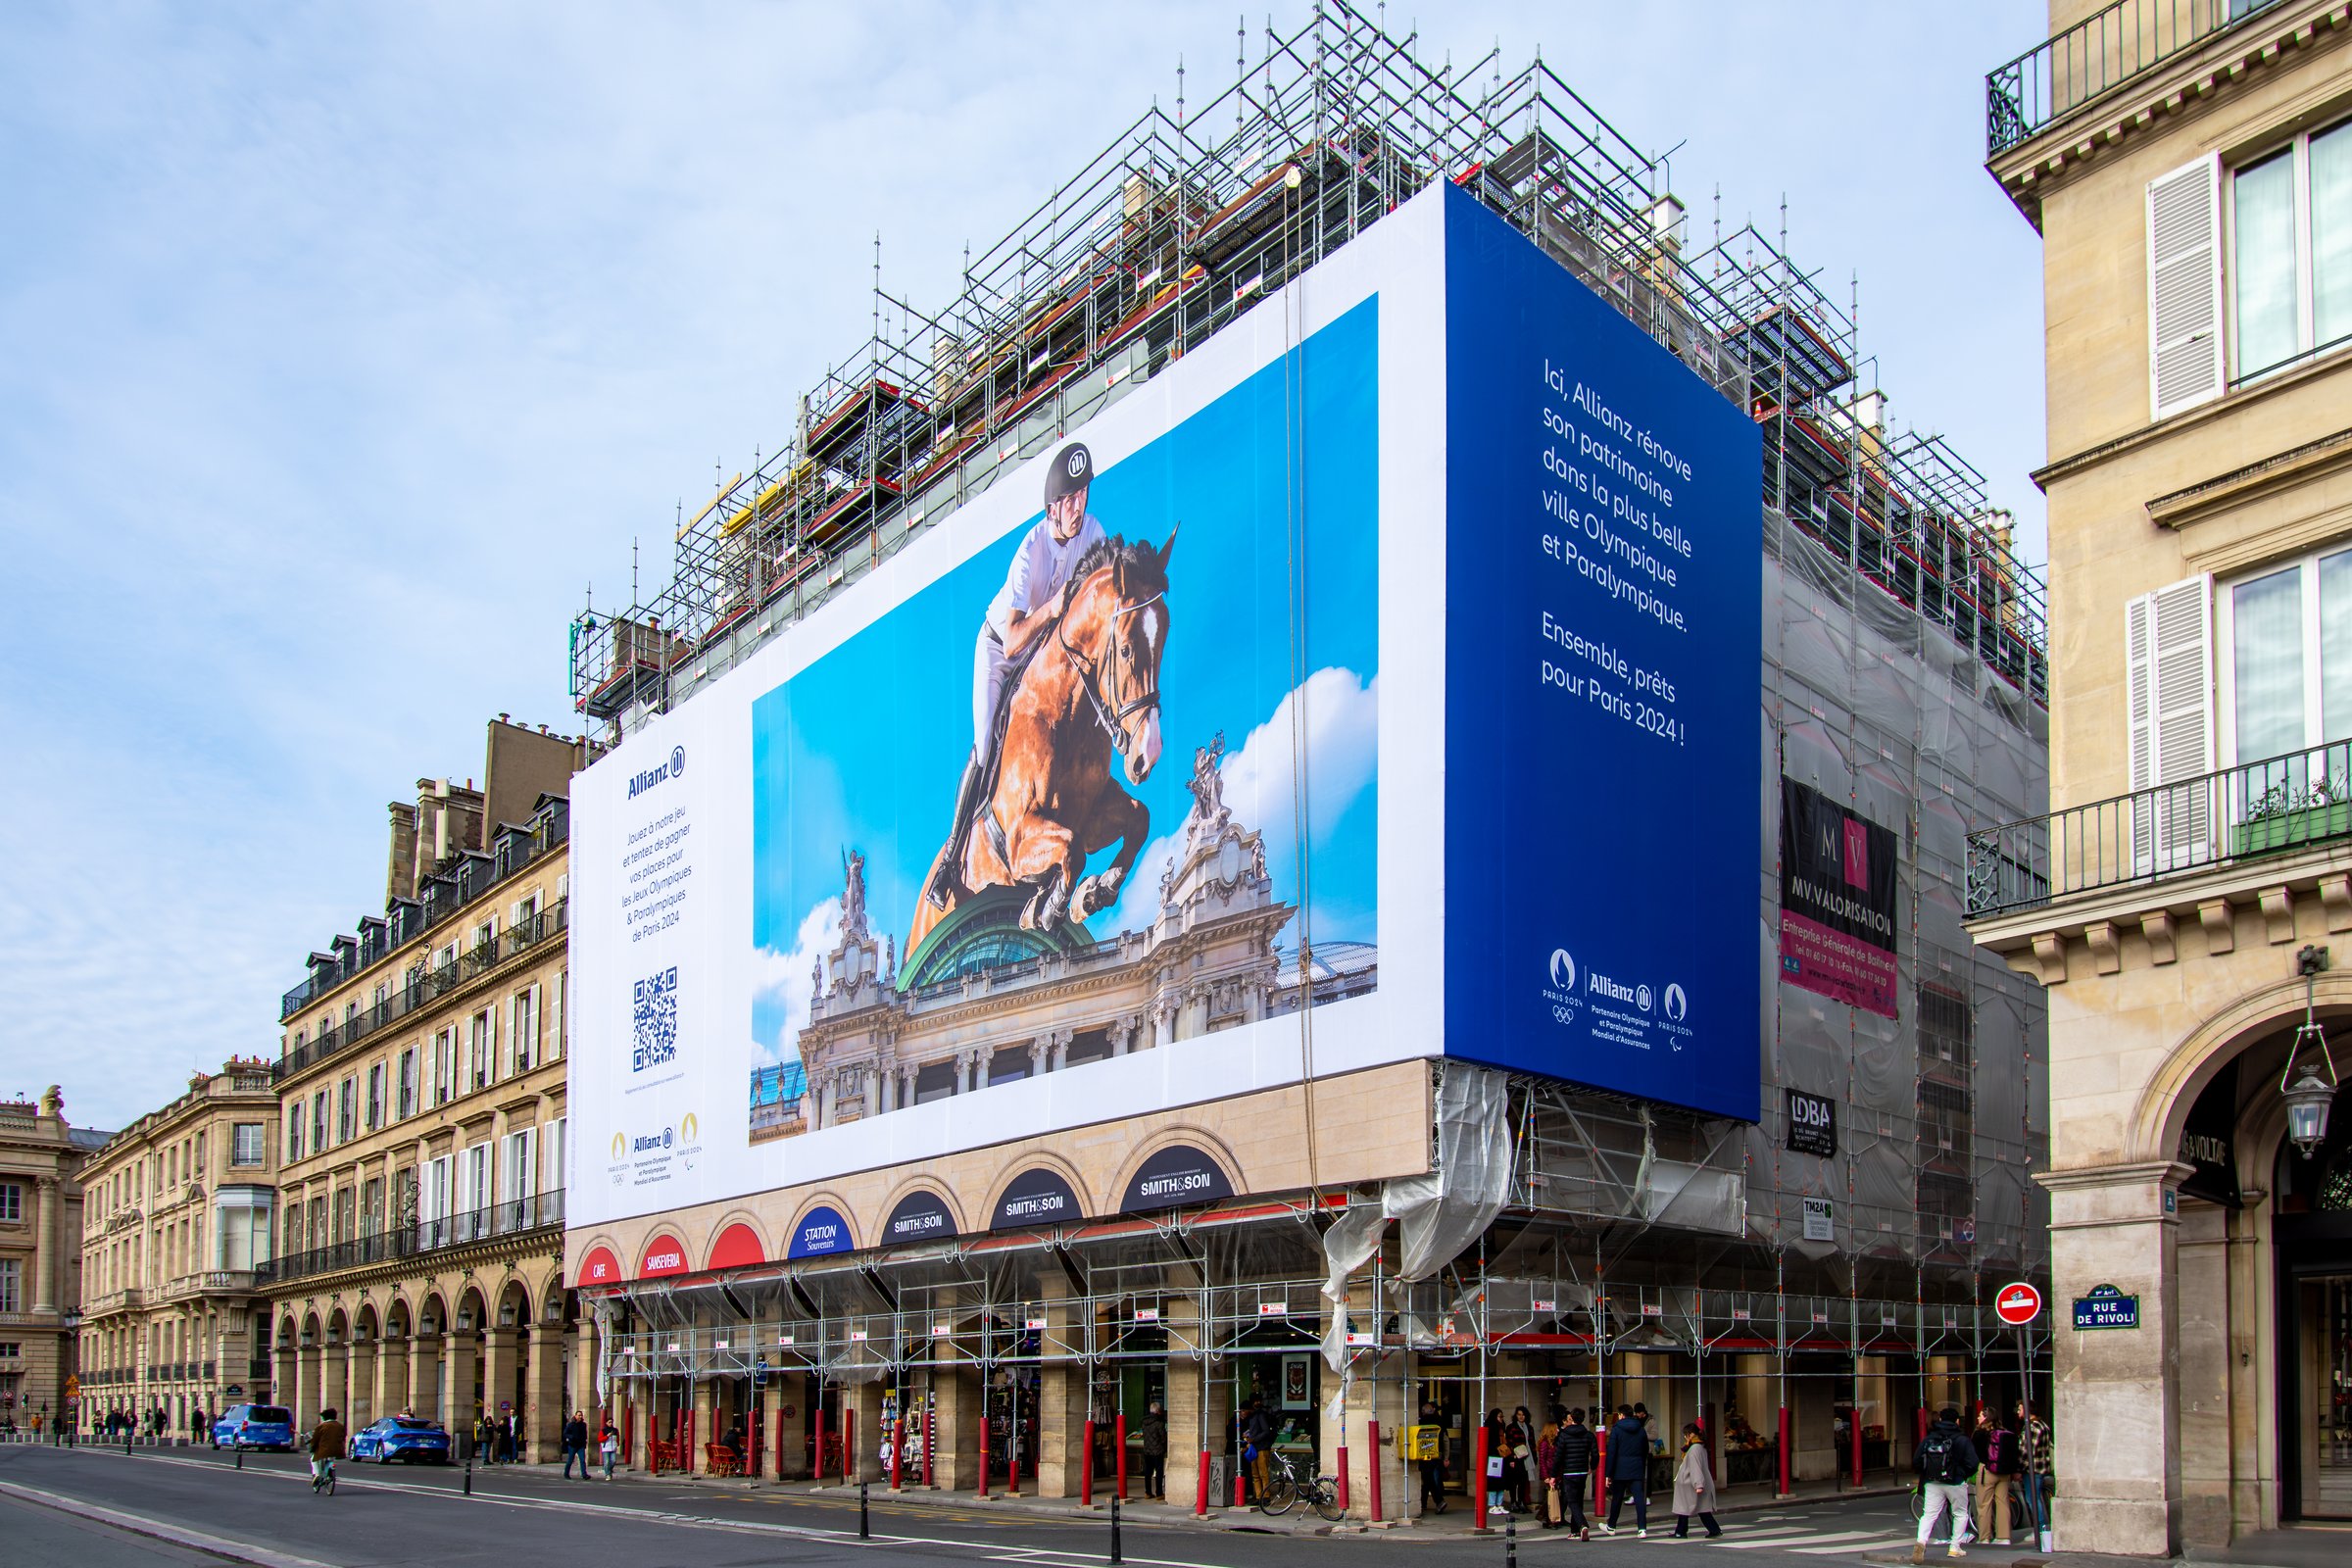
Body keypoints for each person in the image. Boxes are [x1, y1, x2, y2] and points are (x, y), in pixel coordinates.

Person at [926, 440, 1109, 910]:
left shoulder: (1094, 532)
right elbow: (1011, 640)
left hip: (1043, 652)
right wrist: (1053, 608)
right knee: (986, 747)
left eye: (1082, 495)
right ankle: (951, 857)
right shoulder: (1031, 550)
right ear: (1052, 508)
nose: (1078, 507)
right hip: (1001, 649)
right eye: (1069, 499)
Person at [1911, 1406, 1981, 1562]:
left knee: (1929, 1514)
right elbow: (1973, 1463)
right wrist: (1961, 1474)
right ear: (1957, 1421)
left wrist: (1928, 1472)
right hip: (1955, 1482)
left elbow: (1916, 1460)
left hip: (1932, 1482)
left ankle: (1921, 1542)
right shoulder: (1962, 1439)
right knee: (1960, 1513)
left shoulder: (1929, 1438)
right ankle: (1955, 1547)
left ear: (1940, 1419)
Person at [1603, 1404, 1650, 1537]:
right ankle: (1642, 1528)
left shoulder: (1617, 1430)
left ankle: (1611, 1526)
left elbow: (1611, 1452)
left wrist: (1608, 1474)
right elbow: (1645, 1449)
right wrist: (1640, 1462)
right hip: (1636, 1467)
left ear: (1621, 1415)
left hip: (1620, 1468)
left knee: (1617, 1498)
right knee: (1639, 1498)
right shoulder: (1640, 1429)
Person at [1551, 1406, 1597, 1541]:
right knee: (1579, 1500)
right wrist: (1592, 1467)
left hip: (1569, 1472)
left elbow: (1558, 1457)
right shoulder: (1589, 1435)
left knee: (1572, 1501)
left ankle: (1582, 1525)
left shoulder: (1564, 1435)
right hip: (1582, 1471)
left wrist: (1553, 1475)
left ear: (1572, 1419)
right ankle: (1575, 1530)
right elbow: (1595, 1454)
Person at [1975, 1411, 2020, 1546]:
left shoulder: (1980, 1434)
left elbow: (1975, 1453)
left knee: (1984, 1505)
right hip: (2004, 1473)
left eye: (1980, 1415)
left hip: (1987, 1470)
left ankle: (1984, 1537)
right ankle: (2004, 1537)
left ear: (1986, 1418)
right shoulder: (2006, 1433)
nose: (1978, 1417)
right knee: (2003, 1503)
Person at [1671, 1424, 1722, 1539]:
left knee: (1684, 1508)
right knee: (1701, 1508)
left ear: (1692, 1434)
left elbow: (1695, 1467)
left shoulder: (1694, 1448)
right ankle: (1714, 1530)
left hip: (1689, 1483)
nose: (1685, 1437)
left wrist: (1698, 1485)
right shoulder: (1700, 1446)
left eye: (1686, 1434)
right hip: (1693, 1482)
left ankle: (1681, 1532)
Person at [2014, 1401, 2052, 1542]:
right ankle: (2041, 1529)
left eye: (2020, 1409)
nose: (2018, 1412)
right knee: (2036, 1499)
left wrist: (2019, 1469)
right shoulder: (2043, 1425)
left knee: (2033, 1500)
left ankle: (2040, 1530)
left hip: (2033, 1469)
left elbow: (2027, 1451)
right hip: (2041, 1468)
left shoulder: (2032, 1427)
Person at [1414, 1400, 1447, 1515]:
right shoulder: (1439, 1422)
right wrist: (1446, 1457)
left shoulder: (1420, 1423)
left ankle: (1439, 1501)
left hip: (1424, 1455)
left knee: (1428, 1479)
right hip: (1436, 1454)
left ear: (1423, 1412)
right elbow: (1445, 1440)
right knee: (1428, 1479)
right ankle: (1424, 1503)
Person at [1241, 1398, 1273, 1502]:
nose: (1242, 1413)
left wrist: (1253, 1439)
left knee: (1263, 1473)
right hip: (1253, 1448)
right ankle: (1258, 1496)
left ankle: (1266, 1496)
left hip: (1262, 1447)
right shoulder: (1249, 1419)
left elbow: (1266, 1431)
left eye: (1243, 1411)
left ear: (1248, 1410)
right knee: (1255, 1474)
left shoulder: (1260, 1415)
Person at [310, 1406, 347, 1490]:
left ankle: (317, 1474)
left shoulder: (321, 1426)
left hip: (324, 1450)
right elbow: (343, 1436)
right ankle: (329, 1474)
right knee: (331, 1459)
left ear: (325, 1417)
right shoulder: (341, 1426)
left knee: (313, 1459)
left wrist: (312, 1448)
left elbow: (315, 1439)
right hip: (338, 1450)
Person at [1139, 1401, 1167, 1499]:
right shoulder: (1159, 1423)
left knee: (1148, 1472)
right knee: (1159, 1472)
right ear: (1158, 1411)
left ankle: (1148, 1493)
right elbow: (1163, 1438)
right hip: (1157, 1451)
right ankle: (1159, 1493)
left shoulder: (1144, 1422)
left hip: (1147, 1450)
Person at [563, 1410, 590, 1480]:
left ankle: (584, 1474)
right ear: (575, 1416)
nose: (580, 1417)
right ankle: (566, 1473)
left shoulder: (583, 1425)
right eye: (579, 1415)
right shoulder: (571, 1424)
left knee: (582, 1460)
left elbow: (585, 1434)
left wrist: (584, 1442)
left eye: (581, 1415)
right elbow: (565, 1433)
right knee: (570, 1460)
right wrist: (571, 1437)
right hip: (572, 1445)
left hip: (581, 1445)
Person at [600, 1416, 620, 1481]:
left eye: (611, 1422)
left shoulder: (615, 1430)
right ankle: (608, 1474)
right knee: (607, 1461)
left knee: (613, 1461)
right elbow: (600, 1439)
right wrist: (607, 1436)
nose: (611, 1423)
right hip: (606, 1448)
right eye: (609, 1422)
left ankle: (608, 1470)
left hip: (613, 1448)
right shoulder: (603, 1430)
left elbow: (617, 1438)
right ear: (606, 1423)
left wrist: (617, 1444)